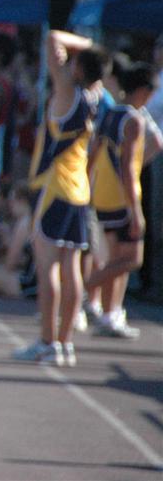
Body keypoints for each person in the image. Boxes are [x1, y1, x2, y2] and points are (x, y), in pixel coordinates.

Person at [14, 30, 110, 367]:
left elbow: (53, 37)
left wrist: (87, 47)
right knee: (71, 268)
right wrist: (94, 54)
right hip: (79, 190)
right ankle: (65, 343)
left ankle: (47, 341)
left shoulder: (68, 92)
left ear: (80, 68)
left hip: (55, 187)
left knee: (48, 269)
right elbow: (93, 63)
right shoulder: (97, 93)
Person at [86, 61, 162, 338]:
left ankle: (111, 313)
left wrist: (89, 183)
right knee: (131, 259)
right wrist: (135, 210)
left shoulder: (110, 113)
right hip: (122, 196)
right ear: (143, 90)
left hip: (104, 193)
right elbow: (129, 168)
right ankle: (84, 288)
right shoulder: (134, 120)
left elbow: (94, 151)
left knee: (117, 258)